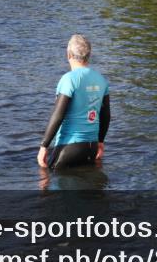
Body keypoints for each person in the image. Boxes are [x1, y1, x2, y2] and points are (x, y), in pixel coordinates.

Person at [37, 35, 110, 169]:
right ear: (89, 55)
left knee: (49, 181)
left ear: (68, 54)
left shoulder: (68, 79)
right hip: (91, 147)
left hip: (69, 147)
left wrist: (44, 146)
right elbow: (106, 115)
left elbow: (58, 115)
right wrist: (100, 142)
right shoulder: (101, 79)